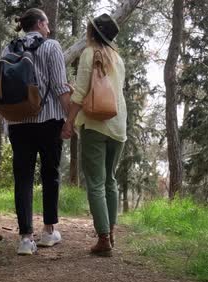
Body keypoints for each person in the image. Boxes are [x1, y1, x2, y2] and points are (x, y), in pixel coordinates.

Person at [3, 8, 72, 255]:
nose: (49, 28)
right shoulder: (51, 47)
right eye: (47, 23)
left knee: (22, 178)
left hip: (17, 122)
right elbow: (60, 86)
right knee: (50, 174)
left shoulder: (8, 48)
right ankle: (48, 232)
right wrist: (70, 119)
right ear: (41, 24)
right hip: (48, 120)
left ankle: (24, 239)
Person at [62, 14, 126, 257]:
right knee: (110, 179)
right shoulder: (118, 59)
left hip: (95, 124)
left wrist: (68, 122)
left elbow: (79, 95)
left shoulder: (89, 54)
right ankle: (110, 234)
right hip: (118, 124)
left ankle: (102, 239)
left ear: (92, 32)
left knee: (96, 183)